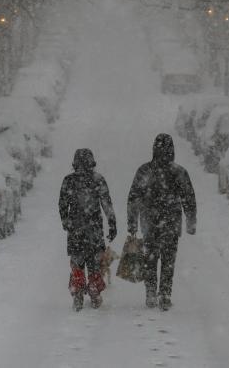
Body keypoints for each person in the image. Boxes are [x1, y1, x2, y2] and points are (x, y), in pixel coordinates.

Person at [127, 133, 197, 311]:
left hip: (149, 222)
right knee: (168, 260)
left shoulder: (145, 171)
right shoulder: (178, 172)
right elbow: (188, 198)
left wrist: (133, 222)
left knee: (150, 258)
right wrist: (191, 221)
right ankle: (165, 294)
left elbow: (134, 197)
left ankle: (151, 292)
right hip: (171, 222)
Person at [58, 148, 117, 310]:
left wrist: (66, 222)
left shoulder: (68, 181)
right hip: (94, 230)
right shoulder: (98, 180)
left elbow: (62, 204)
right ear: (92, 162)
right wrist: (112, 224)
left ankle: (77, 292)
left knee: (77, 262)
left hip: (75, 229)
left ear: (75, 163)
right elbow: (107, 205)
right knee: (95, 263)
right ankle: (94, 290)